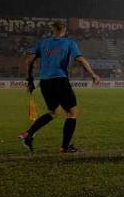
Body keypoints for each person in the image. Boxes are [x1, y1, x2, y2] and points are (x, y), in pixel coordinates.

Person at [18, 21, 100, 153]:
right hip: (60, 80)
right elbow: (80, 59)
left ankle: (28, 134)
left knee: (54, 112)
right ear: (65, 31)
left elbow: (28, 61)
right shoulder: (69, 42)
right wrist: (93, 74)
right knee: (72, 113)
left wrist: (30, 80)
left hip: (45, 82)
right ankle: (65, 147)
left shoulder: (43, 43)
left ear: (52, 30)